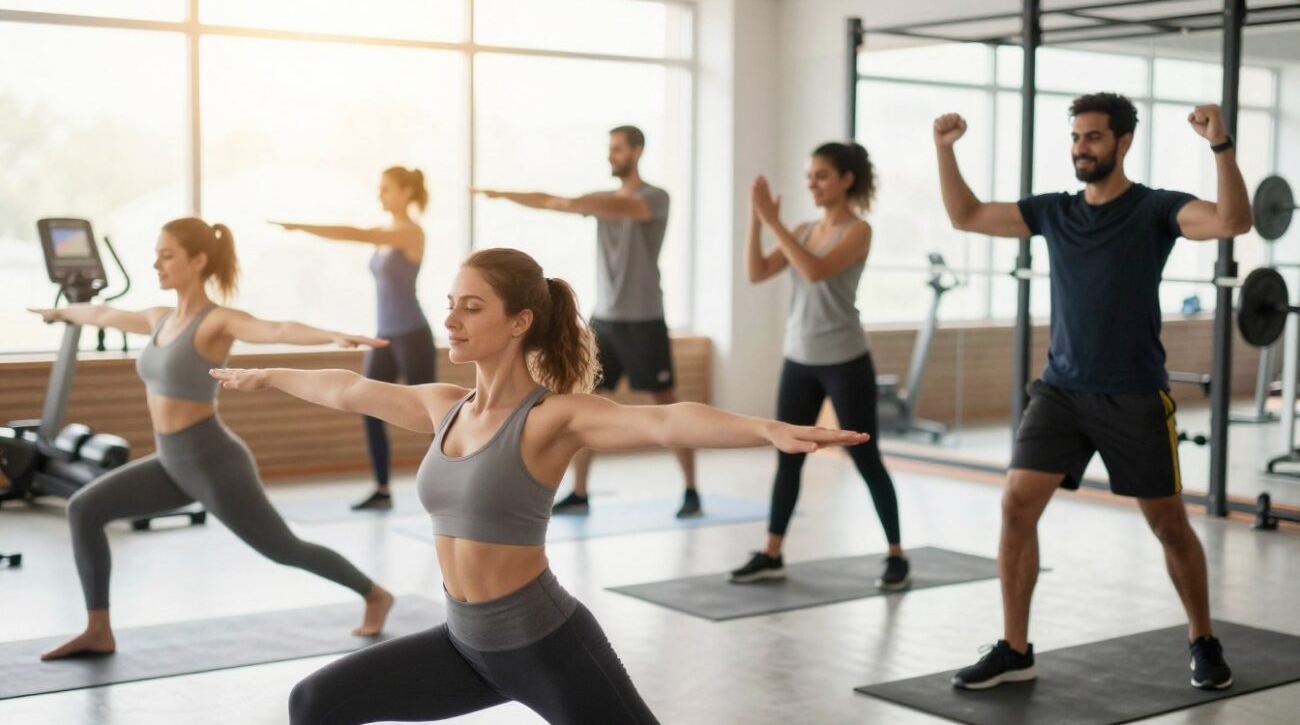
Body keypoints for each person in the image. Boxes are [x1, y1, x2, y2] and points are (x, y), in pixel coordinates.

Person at [212, 247, 870, 724]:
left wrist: (767, 429)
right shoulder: (445, 406)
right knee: (317, 702)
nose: (452, 319)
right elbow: (350, 387)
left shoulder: (550, 418)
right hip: (463, 643)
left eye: (472, 307)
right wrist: (269, 375)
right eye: (451, 305)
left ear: (520, 320)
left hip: (546, 644)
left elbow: (667, 419)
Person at [933, 93, 1251, 690]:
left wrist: (1221, 146)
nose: (1082, 147)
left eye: (1094, 138)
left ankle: (1203, 638)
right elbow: (968, 215)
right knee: (1016, 504)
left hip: (1132, 395)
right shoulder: (1054, 211)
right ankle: (1015, 647)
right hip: (1059, 392)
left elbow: (1234, 222)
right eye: (1077, 137)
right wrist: (944, 151)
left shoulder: (1156, 209)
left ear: (1123, 142)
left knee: (1168, 524)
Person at [30, 218, 394, 662]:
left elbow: (275, 329)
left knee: (283, 548)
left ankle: (374, 594)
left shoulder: (215, 320)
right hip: (170, 461)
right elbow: (104, 314)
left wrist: (332, 335)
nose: (156, 264)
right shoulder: (158, 318)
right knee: (85, 508)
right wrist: (61, 312)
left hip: (212, 461)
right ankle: (98, 630)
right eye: (157, 254)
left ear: (198, 260)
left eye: (167, 255)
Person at [472, 125, 701, 519]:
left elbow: (603, 205)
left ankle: (691, 489)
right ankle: (579, 493)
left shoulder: (654, 198)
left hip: (644, 318)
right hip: (606, 320)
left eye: (617, 149)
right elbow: (555, 201)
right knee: (582, 402)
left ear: (636, 151)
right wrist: (505, 194)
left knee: (666, 402)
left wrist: (576, 202)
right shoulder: (602, 201)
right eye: (609, 149)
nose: (611, 156)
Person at [729, 143, 910, 591]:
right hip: (800, 358)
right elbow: (755, 271)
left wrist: (773, 223)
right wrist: (757, 218)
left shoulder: (858, 231)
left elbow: (814, 271)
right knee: (787, 455)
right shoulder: (804, 228)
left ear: (847, 179)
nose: (812, 183)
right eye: (809, 175)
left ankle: (896, 555)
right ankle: (771, 553)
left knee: (866, 457)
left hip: (845, 359)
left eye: (822, 175)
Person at [275, 166, 435, 511]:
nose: (381, 195)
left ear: (406, 192)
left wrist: (304, 226)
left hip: (412, 334)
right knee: (368, 405)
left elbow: (353, 233)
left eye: (387, 189)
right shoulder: (387, 233)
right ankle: (382, 489)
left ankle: (451, 485)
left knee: (435, 414)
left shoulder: (410, 233)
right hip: (385, 336)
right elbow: (360, 234)